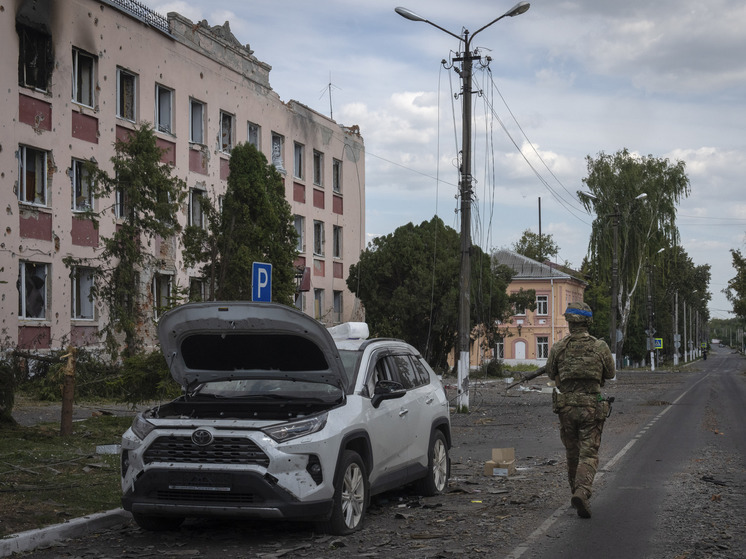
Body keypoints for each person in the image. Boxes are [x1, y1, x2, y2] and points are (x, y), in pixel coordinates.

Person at [545, 301, 615, 518]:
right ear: (588, 322)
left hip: (566, 408)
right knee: (589, 453)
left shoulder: (558, 347)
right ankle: (582, 491)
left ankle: (575, 492)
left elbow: (550, 373)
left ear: (568, 322)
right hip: (591, 408)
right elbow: (610, 373)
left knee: (572, 453)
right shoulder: (600, 346)